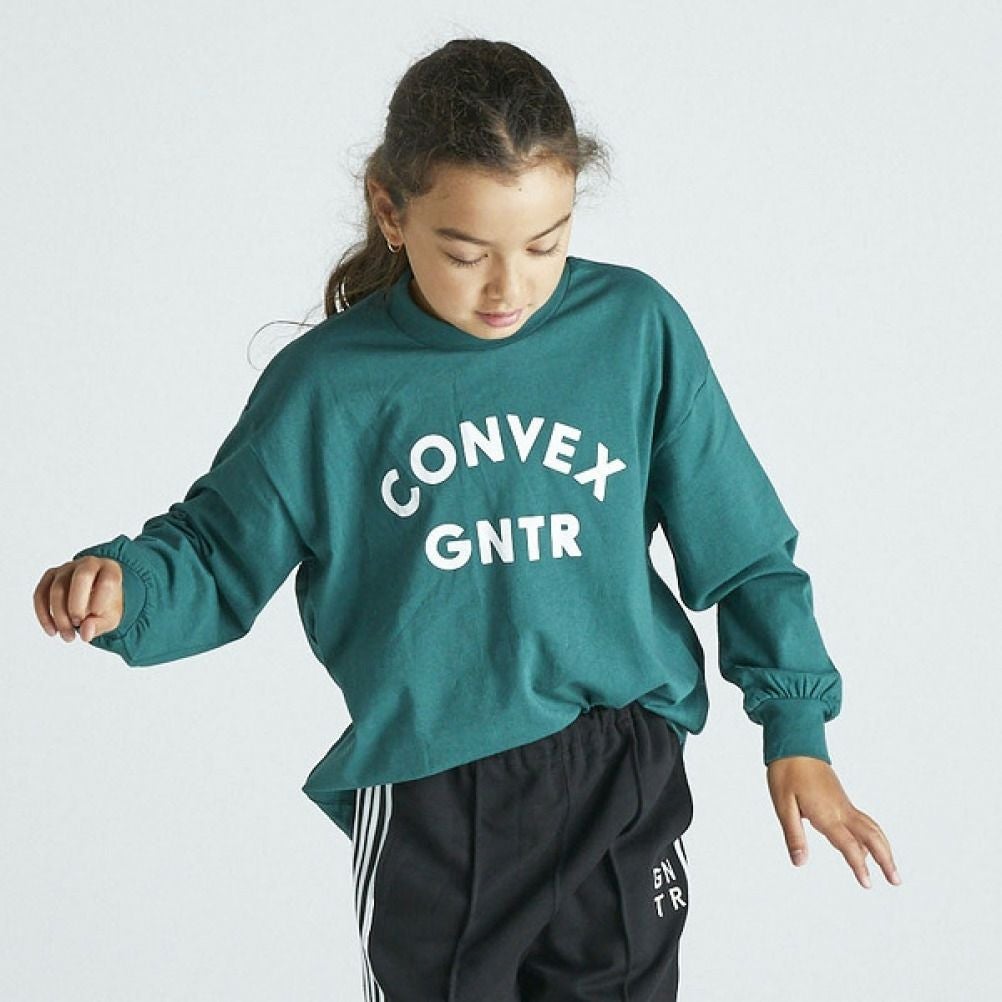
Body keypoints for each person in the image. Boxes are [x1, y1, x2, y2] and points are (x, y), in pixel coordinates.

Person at [32, 36, 901, 1002]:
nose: (509, 288)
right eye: (465, 252)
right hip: (437, 795)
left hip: (623, 766)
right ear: (389, 211)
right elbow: (215, 552)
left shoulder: (634, 330)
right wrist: (128, 588)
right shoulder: (330, 386)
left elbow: (744, 550)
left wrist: (796, 728)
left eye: (545, 244)